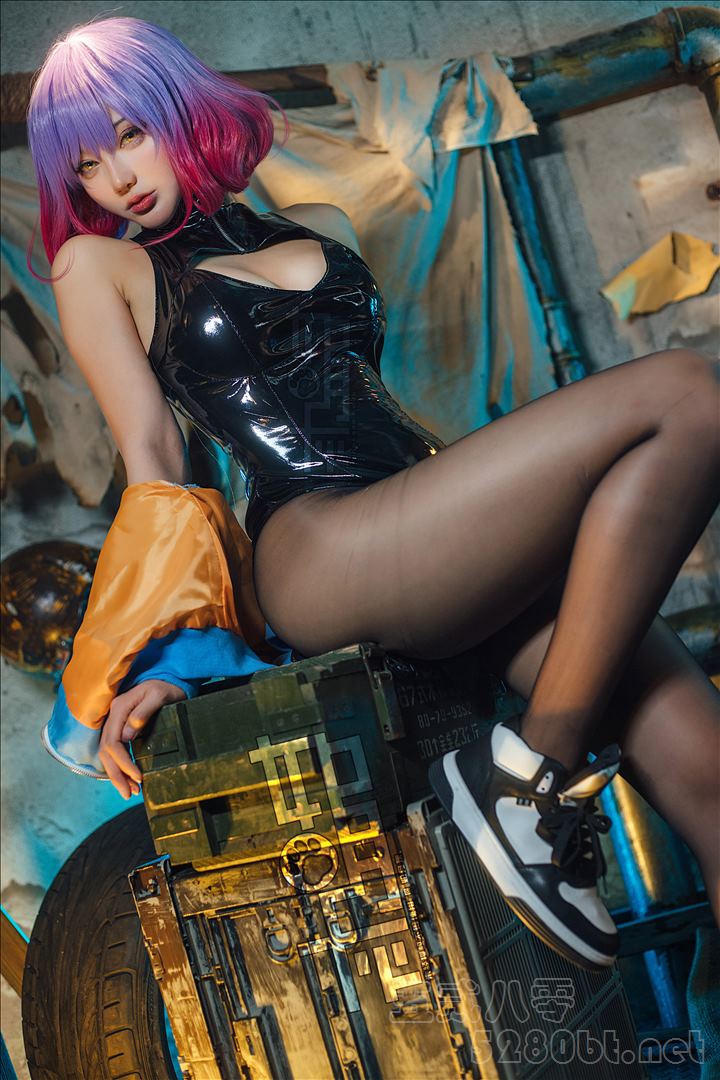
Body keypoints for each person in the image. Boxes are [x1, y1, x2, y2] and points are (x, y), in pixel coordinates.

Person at [26, 16, 718, 971]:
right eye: (87, 166)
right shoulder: (100, 266)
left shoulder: (327, 225)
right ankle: (529, 782)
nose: (116, 178)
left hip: (434, 527)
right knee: (686, 395)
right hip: (318, 547)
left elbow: (370, 402)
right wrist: (175, 658)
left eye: (129, 135)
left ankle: (525, 780)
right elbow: (156, 465)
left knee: (709, 777)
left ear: (180, 107)